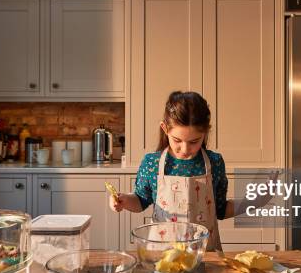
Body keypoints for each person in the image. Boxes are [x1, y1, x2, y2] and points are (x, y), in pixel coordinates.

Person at [109, 91, 275, 251]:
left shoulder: (215, 162)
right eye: (177, 140)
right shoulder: (152, 163)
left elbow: (221, 210)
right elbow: (140, 201)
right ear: (165, 129)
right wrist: (123, 201)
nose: (185, 148)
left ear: (205, 132)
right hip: (162, 254)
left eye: (194, 141)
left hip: (204, 255)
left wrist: (257, 201)